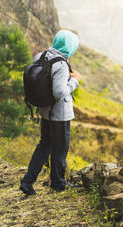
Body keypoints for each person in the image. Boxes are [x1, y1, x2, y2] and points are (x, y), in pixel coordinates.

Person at [19, 30, 81, 195]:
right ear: (70, 46)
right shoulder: (61, 64)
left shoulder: (41, 56)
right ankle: (58, 183)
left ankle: (27, 181)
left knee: (44, 144)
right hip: (60, 114)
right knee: (60, 148)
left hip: (45, 110)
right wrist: (74, 81)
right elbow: (59, 93)